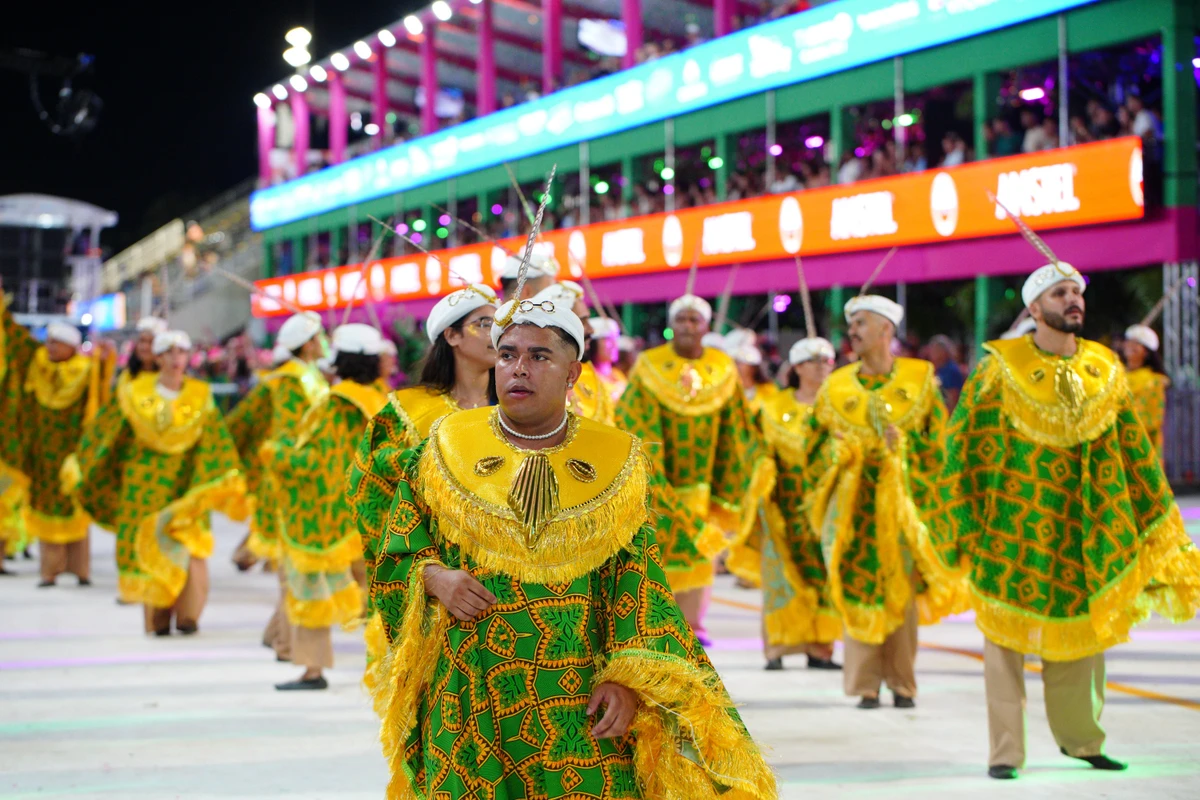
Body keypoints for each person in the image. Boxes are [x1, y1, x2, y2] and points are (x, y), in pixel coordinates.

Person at [364, 294, 776, 799]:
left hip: (583, 695)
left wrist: (627, 680)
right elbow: (396, 550)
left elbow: (638, 584)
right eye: (508, 354)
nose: (519, 368)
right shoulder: (445, 446)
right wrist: (435, 578)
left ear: (573, 373)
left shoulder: (617, 459)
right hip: (471, 688)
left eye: (539, 356)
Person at [918, 261, 1200, 780]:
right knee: (1004, 647)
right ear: (1034, 307)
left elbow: (1132, 448)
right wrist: (963, 517)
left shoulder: (1104, 367)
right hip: (1011, 532)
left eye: (1077, 292)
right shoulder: (1000, 368)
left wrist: (1154, 517)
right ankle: (1005, 753)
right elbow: (966, 447)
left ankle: (1083, 740)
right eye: (1059, 293)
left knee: (1081, 640)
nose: (1073, 300)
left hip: (1081, 528)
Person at [801, 295, 959, 709]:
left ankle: (903, 683)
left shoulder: (920, 380)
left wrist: (905, 449)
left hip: (900, 510)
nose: (852, 332)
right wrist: (838, 455)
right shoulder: (836, 387)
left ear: (886, 330)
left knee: (900, 594)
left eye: (861, 324)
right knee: (856, 589)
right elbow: (812, 446)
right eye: (851, 325)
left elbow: (939, 449)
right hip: (852, 512)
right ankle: (865, 685)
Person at [347, 285, 497, 690]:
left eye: (501, 322)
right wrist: (432, 460)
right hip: (439, 576)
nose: (496, 332)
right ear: (452, 335)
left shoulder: (518, 406)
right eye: (484, 323)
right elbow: (369, 479)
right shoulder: (408, 409)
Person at [614, 294, 768, 644]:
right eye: (680, 319)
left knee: (701, 552)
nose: (686, 326)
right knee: (659, 553)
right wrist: (651, 474)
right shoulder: (650, 366)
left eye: (693, 320)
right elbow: (635, 421)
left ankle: (694, 626)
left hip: (706, 484)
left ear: (706, 326)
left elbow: (737, 428)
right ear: (670, 325)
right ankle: (657, 624)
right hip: (661, 484)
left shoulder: (722, 368)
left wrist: (738, 478)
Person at [71, 330, 249, 633]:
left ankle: (189, 616)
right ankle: (158, 620)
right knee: (151, 548)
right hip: (145, 485)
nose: (176, 358)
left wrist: (219, 477)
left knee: (189, 549)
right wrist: (88, 466)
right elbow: (109, 434)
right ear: (158, 356)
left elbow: (216, 440)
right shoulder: (134, 392)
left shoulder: (200, 394)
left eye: (181, 352)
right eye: (169, 352)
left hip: (187, 483)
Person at [265, 324, 387, 690]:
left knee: (309, 589)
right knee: (383, 596)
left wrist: (275, 453)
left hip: (327, 518)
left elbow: (312, 462)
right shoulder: (383, 402)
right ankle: (391, 668)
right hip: (374, 514)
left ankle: (312, 670)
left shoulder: (331, 405)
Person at [224, 311, 328, 659]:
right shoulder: (287, 383)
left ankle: (277, 634)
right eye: (319, 337)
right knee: (293, 570)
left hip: (308, 484)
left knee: (300, 569)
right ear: (308, 344)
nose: (323, 342)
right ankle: (286, 644)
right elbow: (289, 435)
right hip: (290, 486)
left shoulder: (312, 377)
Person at [12, 322, 115, 587]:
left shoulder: (85, 370)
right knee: (46, 506)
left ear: (71, 347)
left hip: (73, 452)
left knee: (76, 508)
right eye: (49, 342)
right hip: (43, 451)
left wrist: (105, 360)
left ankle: (80, 570)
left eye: (56, 343)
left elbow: (100, 393)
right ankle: (49, 571)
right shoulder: (38, 367)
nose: (50, 347)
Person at [760, 337, 842, 671]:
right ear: (797, 368)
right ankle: (778, 647)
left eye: (827, 361)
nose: (821, 367)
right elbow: (760, 449)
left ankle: (821, 648)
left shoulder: (839, 405)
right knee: (781, 575)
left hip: (826, 504)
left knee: (823, 574)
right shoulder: (774, 406)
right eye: (813, 361)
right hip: (785, 502)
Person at [0, 299, 41, 574]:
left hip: (7, 439)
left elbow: (36, 357)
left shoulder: (12, 337)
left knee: (5, 498)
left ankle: (3, 555)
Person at [1121, 323, 1169, 460]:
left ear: (1146, 352)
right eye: (1129, 342)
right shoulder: (1115, 374)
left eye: (1137, 344)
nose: (1131, 346)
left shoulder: (1154, 381)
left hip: (1140, 445)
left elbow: (1151, 419)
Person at [587, 316, 627, 402]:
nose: (614, 344)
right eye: (608, 339)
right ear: (593, 343)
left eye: (615, 338)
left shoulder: (618, 375)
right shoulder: (586, 375)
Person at [927, 334, 965, 409]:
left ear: (943, 352)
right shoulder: (937, 368)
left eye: (935, 350)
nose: (931, 353)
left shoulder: (951, 370)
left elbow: (954, 398)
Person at [125, 317, 167, 381]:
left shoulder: (169, 378)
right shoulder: (127, 375)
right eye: (142, 341)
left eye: (151, 342)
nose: (145, 347)